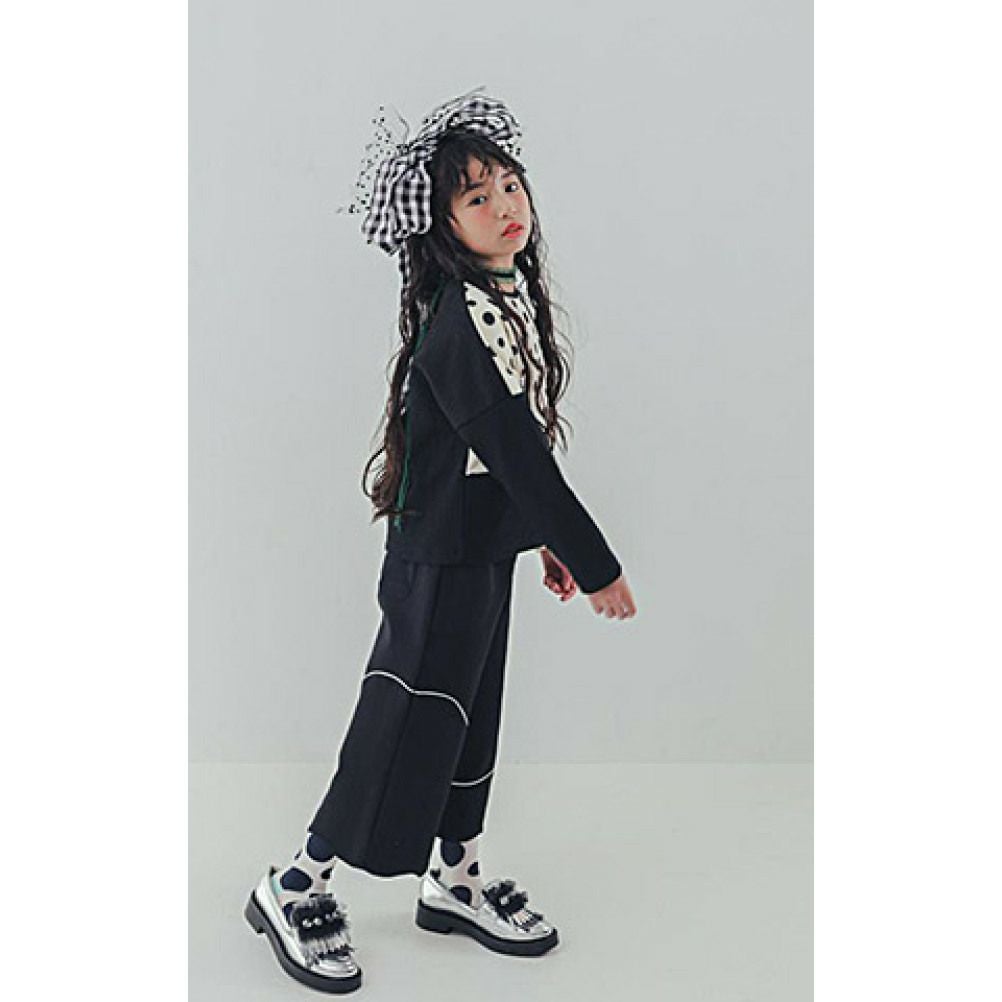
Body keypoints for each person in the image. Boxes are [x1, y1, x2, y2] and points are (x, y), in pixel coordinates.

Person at [243, 85, 638, 994]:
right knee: (401, 720)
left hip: (480, 545)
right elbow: (515, 453)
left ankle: (454, 877)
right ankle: (295, 882)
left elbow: (507, 452)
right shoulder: (461, 320)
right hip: (435, 556)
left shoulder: (504, 298)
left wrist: (536, 539)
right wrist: (593, 561)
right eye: (476, 196)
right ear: (442, 225)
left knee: (471, 717)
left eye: (510, 185)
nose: (505, 206)